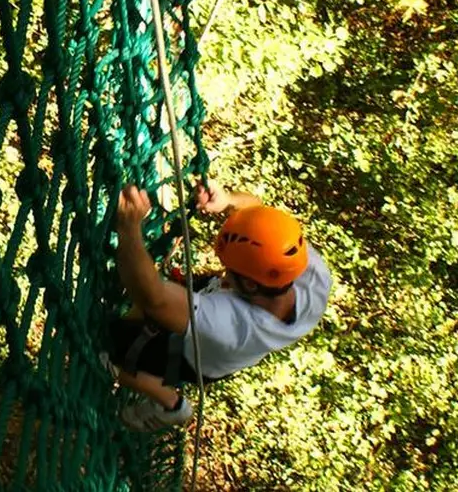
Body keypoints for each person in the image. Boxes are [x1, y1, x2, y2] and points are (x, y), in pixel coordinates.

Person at [106, 179, 332, 431]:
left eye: (229, 271)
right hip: (221, 309)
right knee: (141, 312)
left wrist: (129, 227)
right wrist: (228, 201)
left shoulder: (234, 327)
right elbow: (256, 212)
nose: (224, 273)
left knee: (111, 352)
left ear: (250, 285)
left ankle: (172, 406)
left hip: (193, 356)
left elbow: (154, 298)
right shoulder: (309, 271)